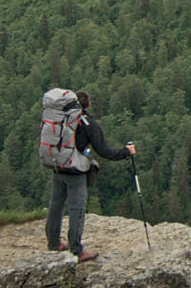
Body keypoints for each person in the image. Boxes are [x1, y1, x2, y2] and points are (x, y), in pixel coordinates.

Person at [42, 89, 136, 260]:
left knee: (55, 206)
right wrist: (126, 152)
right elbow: (104, 151)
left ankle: (53, 243)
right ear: (88, 105)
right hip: (75, 171)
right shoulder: (89, 124)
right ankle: (77, 250)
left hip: (57, 165)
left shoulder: (60, 118)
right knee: (76, 209)